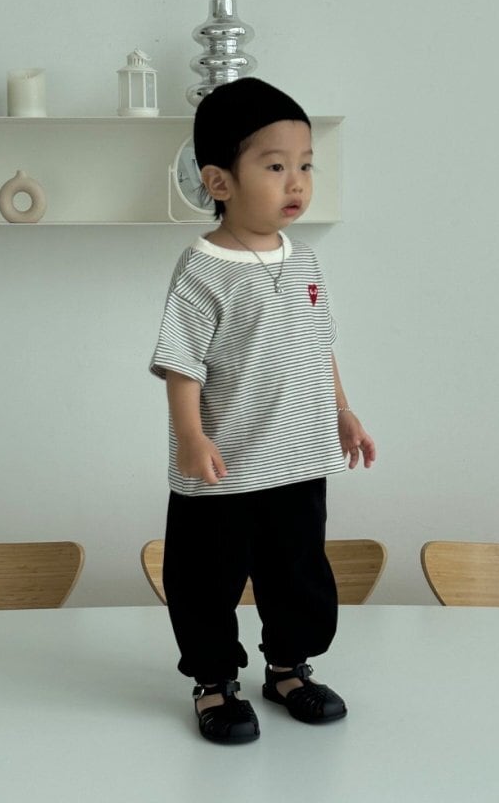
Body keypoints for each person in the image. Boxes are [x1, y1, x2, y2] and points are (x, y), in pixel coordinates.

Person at [149, 77, 375, 745]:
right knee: (206, 580)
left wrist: (344, 413)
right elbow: (181, 364)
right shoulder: (203, 268)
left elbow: (318, 347)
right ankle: (215, 682)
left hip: (299, 460)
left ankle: (288, 670)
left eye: (305, 165)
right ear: (219, 181)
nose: (296, 181)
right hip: (224, 469)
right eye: (275, 167)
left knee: (298, 573)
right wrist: (191, 438)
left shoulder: (306, 262)